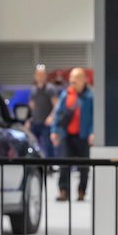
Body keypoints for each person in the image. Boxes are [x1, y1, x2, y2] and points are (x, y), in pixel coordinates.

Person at [51, 67, 94, 202]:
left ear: (83, 80)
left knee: (84, 167)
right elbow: (58, 114)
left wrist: (92, 133)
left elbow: (94, 116)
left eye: (75, 78)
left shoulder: (89, 97)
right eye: (71, 78)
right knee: (64, 164)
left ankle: (82, 191)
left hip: (82, 137)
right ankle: (63, 191)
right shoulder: (65, 95)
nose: (72, 80)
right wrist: (54, 131)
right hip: (67, 135)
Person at [28, 65, 57, 161]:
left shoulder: (50, 88)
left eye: (42, 74)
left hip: (46, 123)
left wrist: (51, 116)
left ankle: (51, 165)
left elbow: (56, 104)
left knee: (48, 145)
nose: (40, 77)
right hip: (36, 121)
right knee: (33, 144)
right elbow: (32, 106)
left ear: (45, 75)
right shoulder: (33, 90)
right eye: (38, 74)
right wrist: (29, 119)